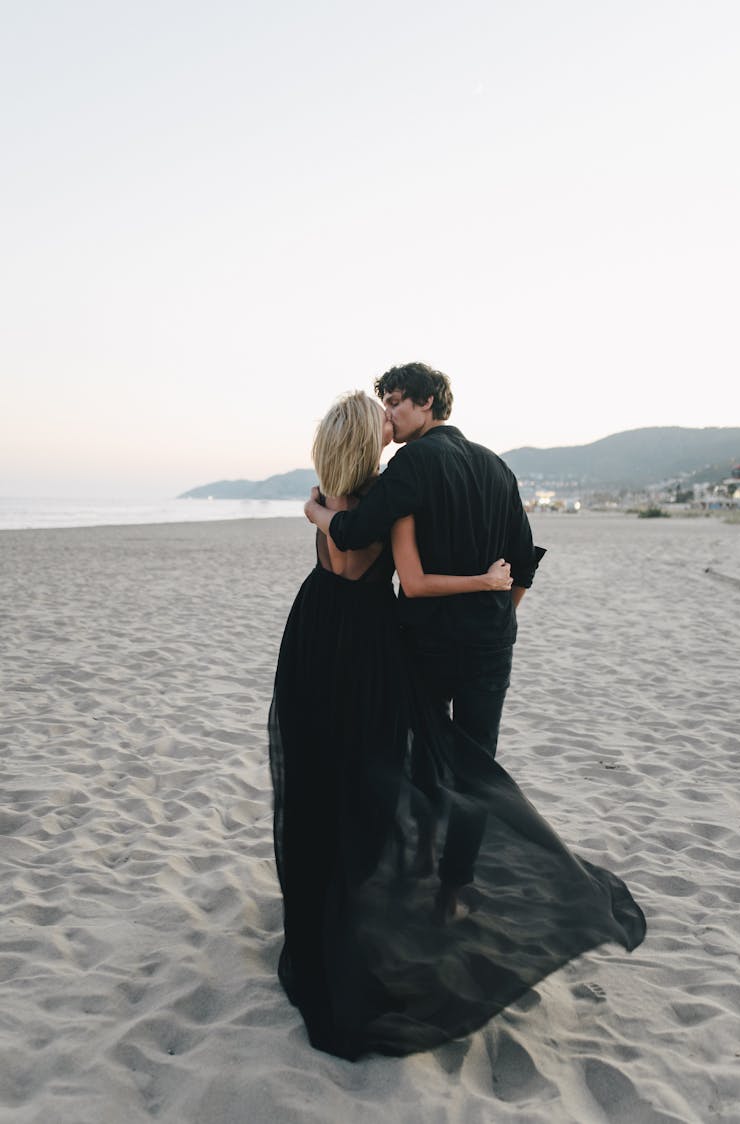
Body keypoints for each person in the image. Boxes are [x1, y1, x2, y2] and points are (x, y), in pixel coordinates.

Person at [269, 390, 516, 1060]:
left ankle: (317, 905)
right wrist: (490, 584)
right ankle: (385, 903)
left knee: (317, 766)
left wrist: (312, 507)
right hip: (367, 644)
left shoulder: (330, 492)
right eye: (380, 417)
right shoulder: (387, 497)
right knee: (365, 772)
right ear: (366, 435)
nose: (389, 421)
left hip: (315, 632)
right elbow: (398, 575)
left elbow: (337, 547)